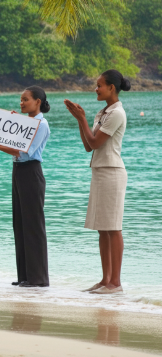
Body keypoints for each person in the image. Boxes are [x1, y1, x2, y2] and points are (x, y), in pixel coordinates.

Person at [64, 70, 130, 295]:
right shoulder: (103, 112)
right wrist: (79, 120)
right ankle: (105, 280)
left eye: (100, 85)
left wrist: (82, 118)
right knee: (103, 229)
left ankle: (116, 283)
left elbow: (94, 142)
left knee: (113, 227)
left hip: (112, 172)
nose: (96, 89)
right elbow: (88, 145)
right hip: (100, 171)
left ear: (111, 87)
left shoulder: (117, 113)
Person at [0, 86, 51, 287]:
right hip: (18, 170)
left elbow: (22, 150)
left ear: (37, 102)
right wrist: (12, 123)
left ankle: (38, 279)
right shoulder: (25, 123)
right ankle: (25, 276)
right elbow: (13, 142)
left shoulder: (41, 124)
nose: (21, 103)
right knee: (19, 224)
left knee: (33, 226)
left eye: (25, 99)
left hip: (31, 172)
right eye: (21, 99)